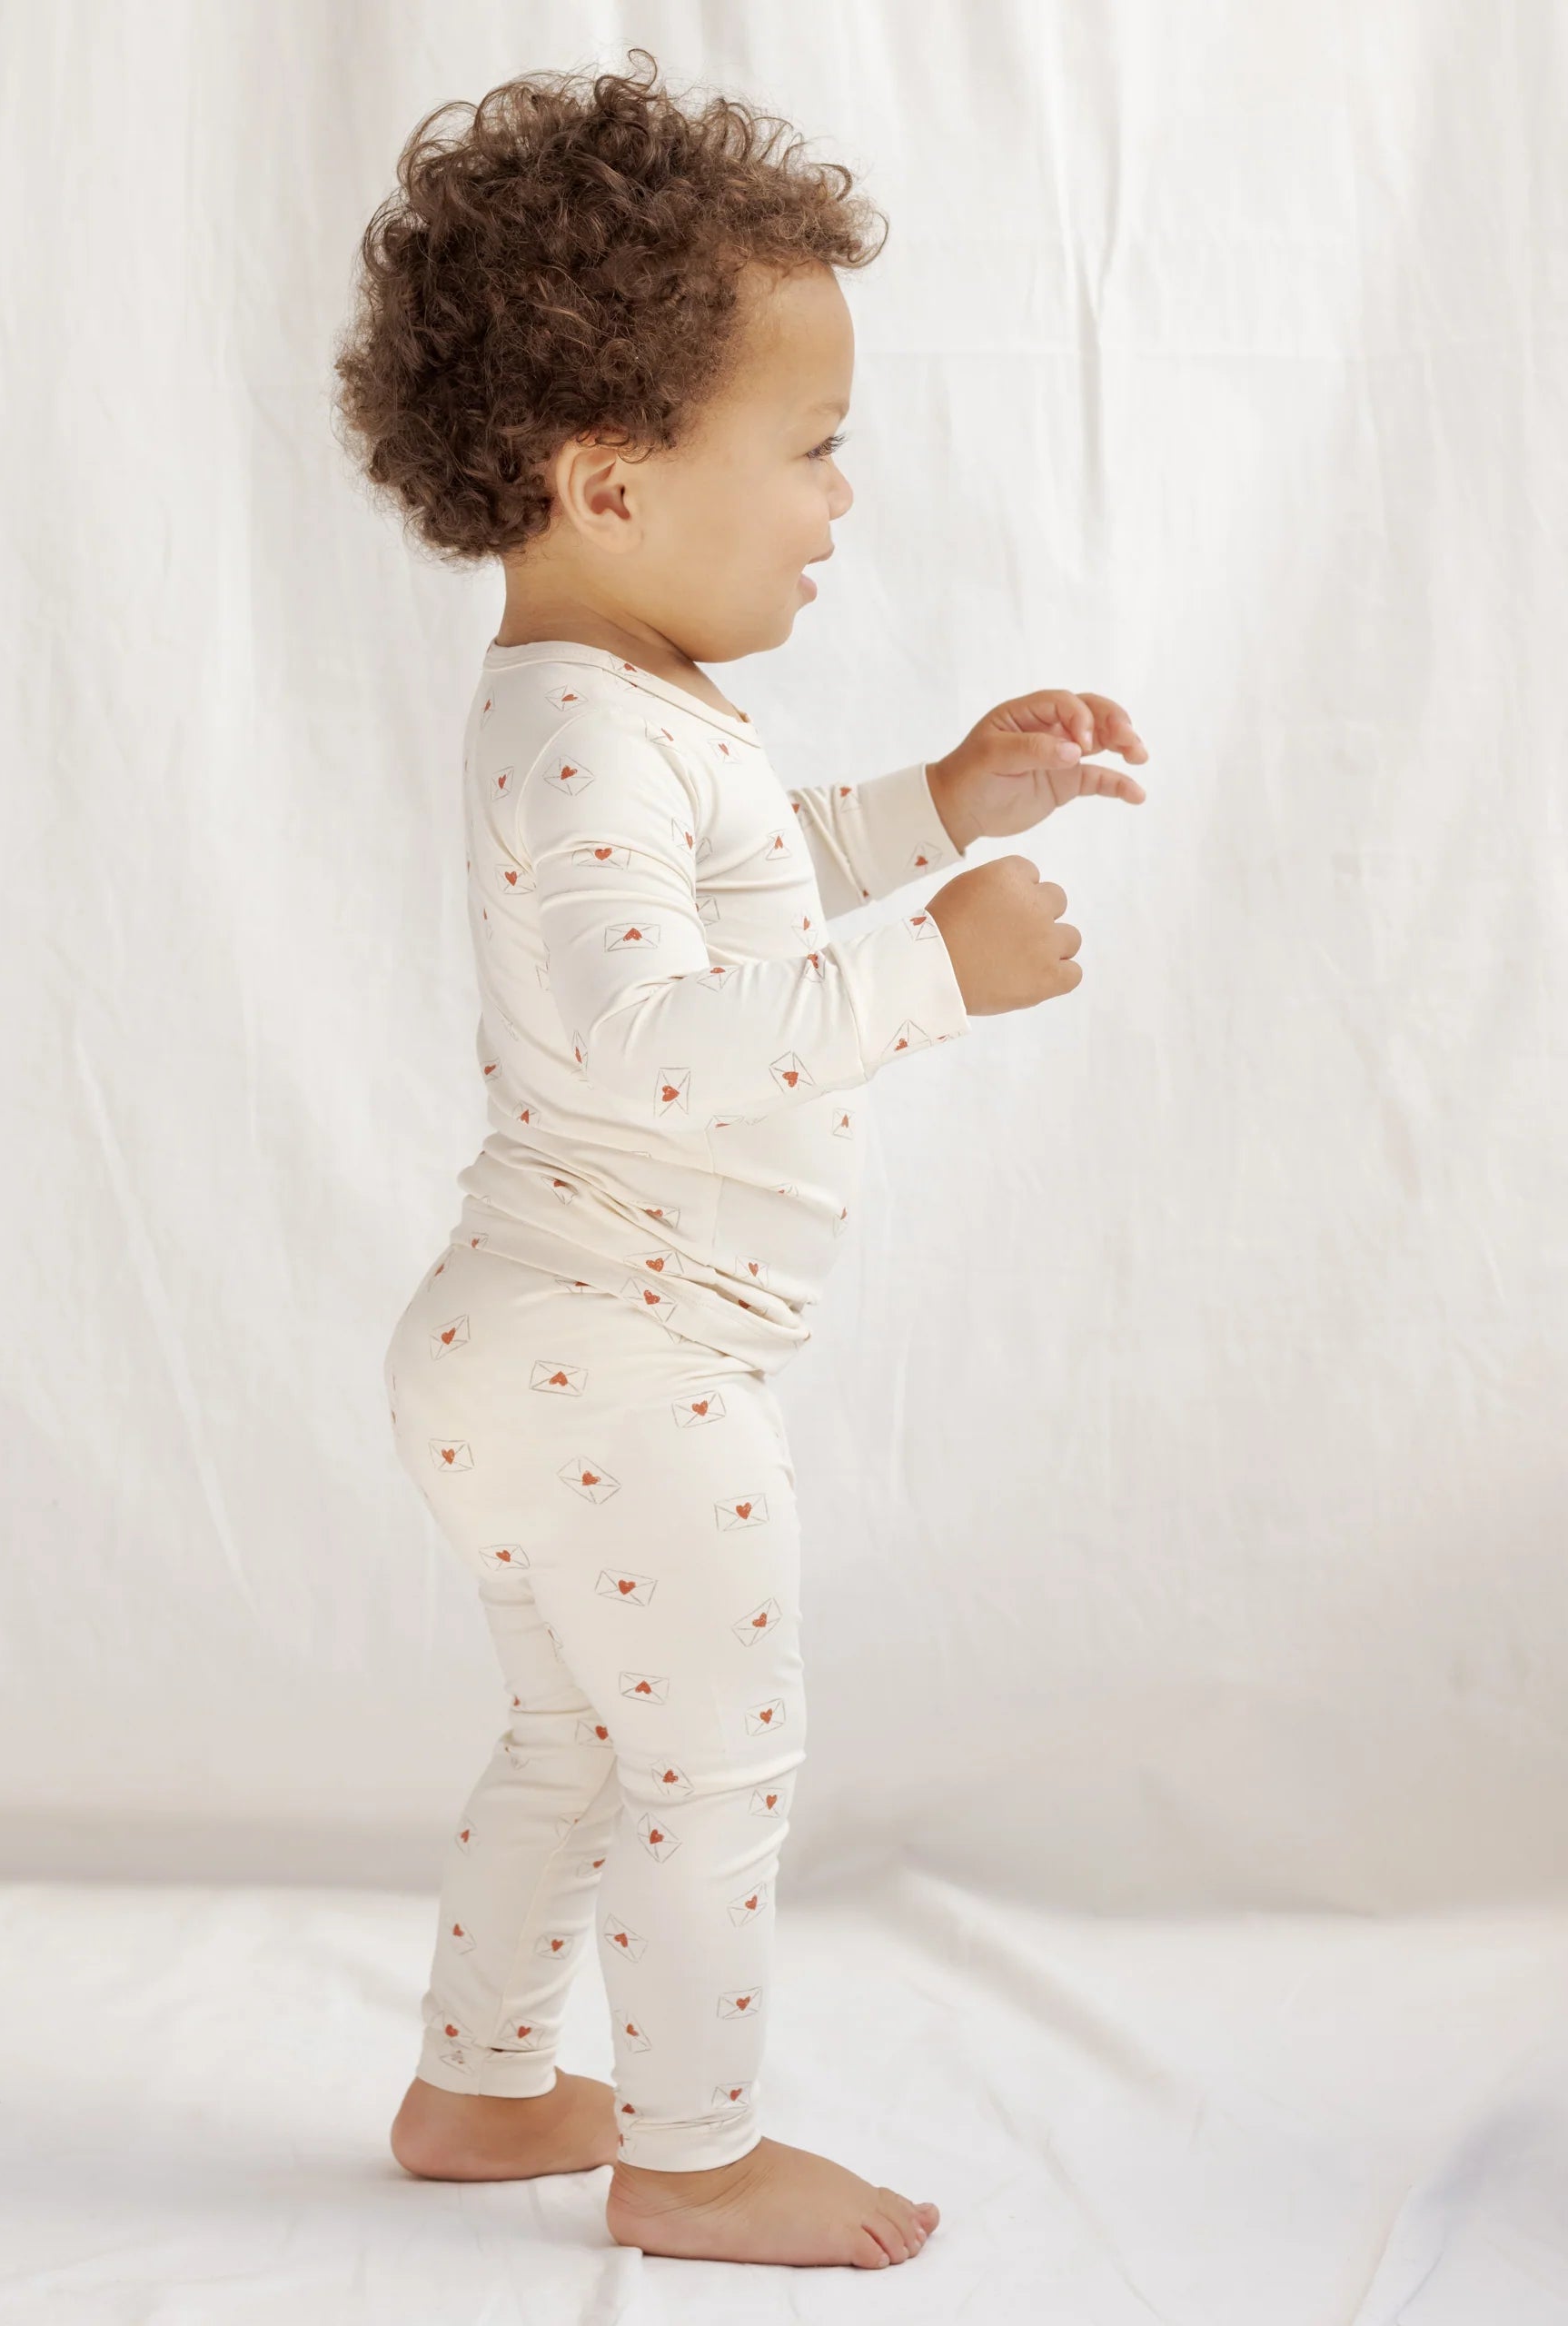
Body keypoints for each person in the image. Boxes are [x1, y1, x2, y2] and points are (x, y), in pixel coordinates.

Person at [332, 48, 1148, 2270]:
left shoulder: (613, 710)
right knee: (714, 1763)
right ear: (609, 479)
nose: (835, 503)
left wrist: (941, 810)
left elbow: (746, 880)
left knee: (574, 1738)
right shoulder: (590, 716)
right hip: (619, 1357)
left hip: (532, 1349)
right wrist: (935, 976)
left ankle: (483, 2080)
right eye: (808, 449)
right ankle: (690, 2156)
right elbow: (637, 1039)